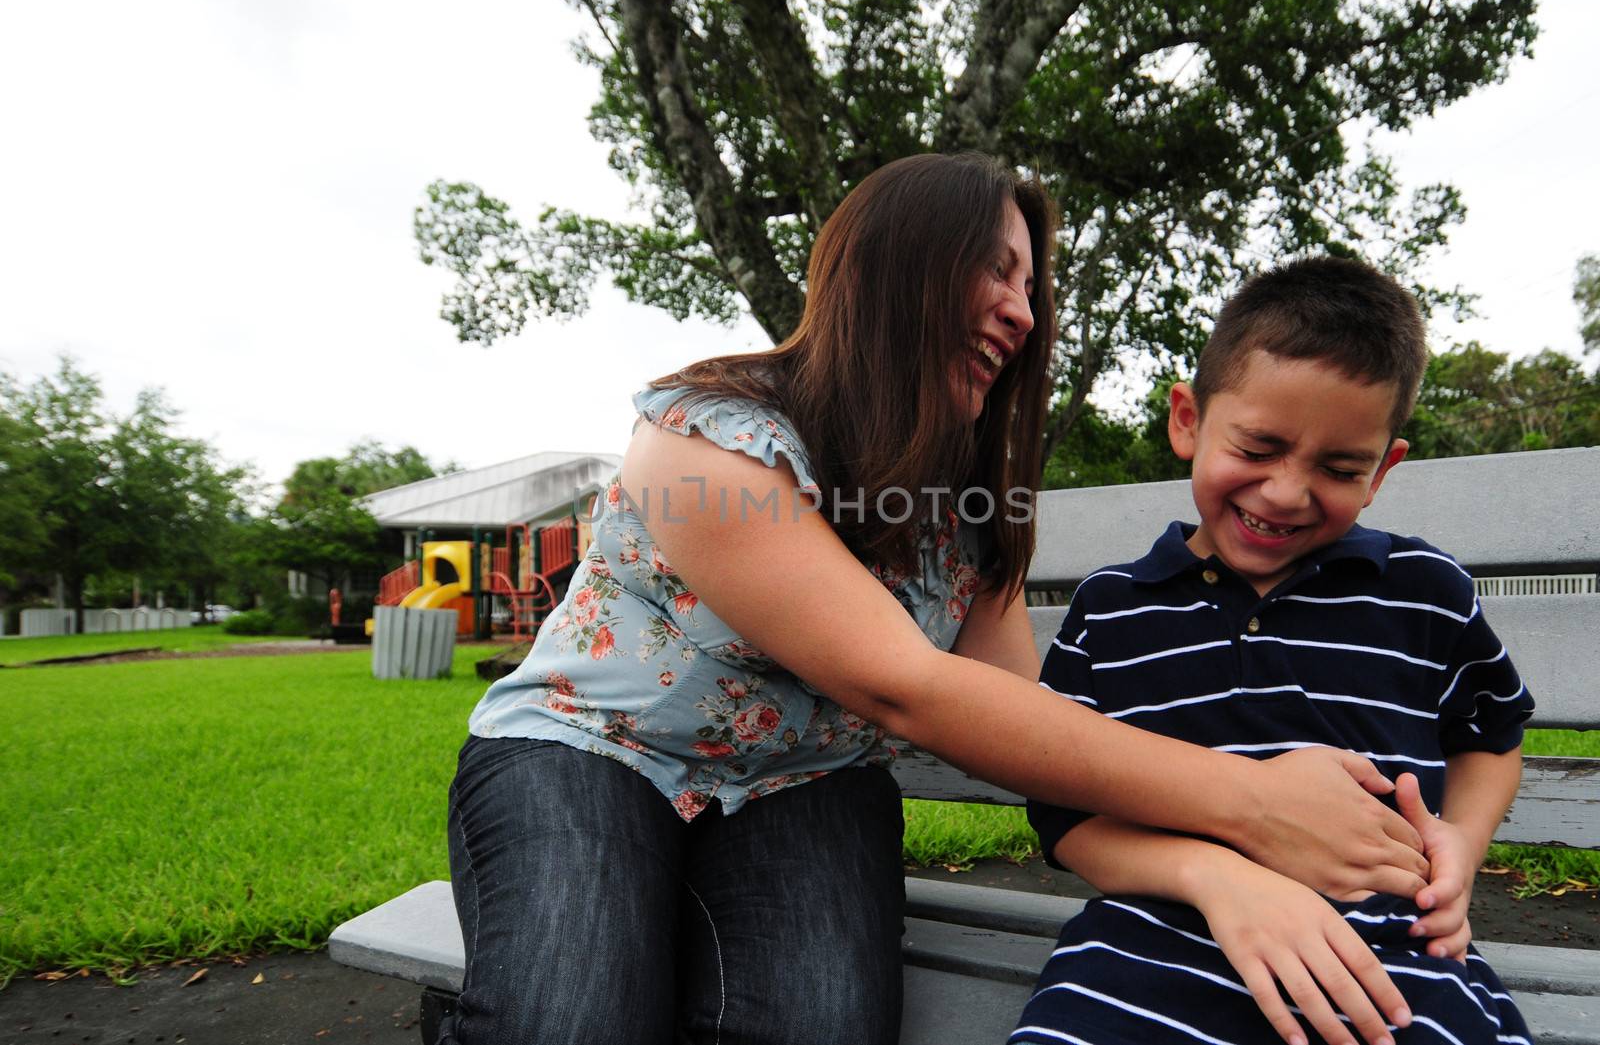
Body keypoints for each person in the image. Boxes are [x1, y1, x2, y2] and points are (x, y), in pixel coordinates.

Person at [441, 156, 1432, 1045]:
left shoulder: (973, 509)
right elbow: (907, 686)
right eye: (999, 271)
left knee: (818, 1030)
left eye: (1032, 289)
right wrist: (1254, 804)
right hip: (588, 753)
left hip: (804, 788)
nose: (1024, 314)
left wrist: (1212, 865)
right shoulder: (709, 435)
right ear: (896, 263)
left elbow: (1030, 728)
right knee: (568, 1020)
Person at [1012, 257, 1534, 1045]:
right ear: (1187, 419)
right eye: (1258, 446)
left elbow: (1492, 737)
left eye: (1339, 466)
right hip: (1155, 946)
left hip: (1389, 957)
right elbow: (1063, 812)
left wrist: (1460, 841)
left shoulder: (1423, 590)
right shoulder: (1111, 608)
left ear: (1383, 470)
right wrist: (1203, 874)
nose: (1287, 492)